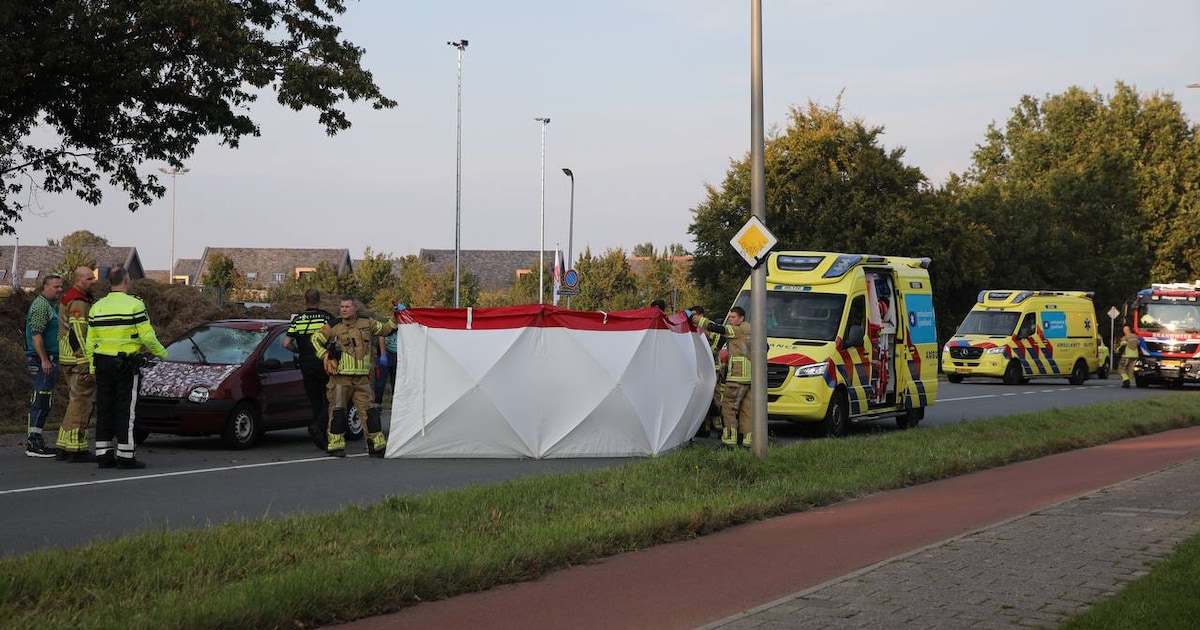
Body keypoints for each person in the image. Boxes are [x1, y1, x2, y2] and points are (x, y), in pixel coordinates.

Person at [85, 266, 168, 469]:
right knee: (126, 409)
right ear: (126, 280)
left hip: (102, 363)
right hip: (125, 365)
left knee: (104, 408)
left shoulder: (97, 306)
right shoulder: (134, 305)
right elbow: (147, 336)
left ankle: (103, 455)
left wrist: (92, 367)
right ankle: (125, 455)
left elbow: (90, 341)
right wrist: (163, 354)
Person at [312, 297, 398, 458]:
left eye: (347, 307)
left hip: (362, 379)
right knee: (337, 412)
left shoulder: (368, 323)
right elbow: (315, 339)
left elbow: (386, 329)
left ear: (355, 309)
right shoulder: (333, 325)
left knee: (369, 413)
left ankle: (376, 445)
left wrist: (395, 317)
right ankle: (336, 446)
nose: (343, 309)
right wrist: (325, 356)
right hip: (340, 378)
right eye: (341, 306)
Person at [690, 306, 752, 447]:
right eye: (729, 317)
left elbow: (714, 327)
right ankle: (748, 441)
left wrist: (693, 318)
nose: (730, 320)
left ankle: (729, 440)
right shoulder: (752, 331)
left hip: (736, 376)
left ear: (741, 318)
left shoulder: (735, 330)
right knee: (747, 410)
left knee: (728, 407)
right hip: (750, 377)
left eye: (733, 317)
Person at [283, 289, 336, 450]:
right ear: (319, 300)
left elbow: (286, 343)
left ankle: (318, 434)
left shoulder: (298, 320)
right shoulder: (327, 317)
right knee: (330, 399)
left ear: (304, 301)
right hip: (323, 362)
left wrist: (298, 351)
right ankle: (321, 429)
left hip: (305, 364)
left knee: (315, 400)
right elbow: (337, 337)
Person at [55, 266, 97, 462]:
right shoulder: (79, 302)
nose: (93, 281)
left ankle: (63, 444)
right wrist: (85, 363)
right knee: (82, 402)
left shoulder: (70, 298)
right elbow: (78, 334)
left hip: (67, 357)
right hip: (77, 358)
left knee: (74, 401)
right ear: (78, 280)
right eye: (89, 279)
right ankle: (76, 447)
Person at [23, 273, 65, 457]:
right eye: (56, 286)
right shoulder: (41, 306)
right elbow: (36, 334)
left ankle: (36, 440)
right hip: (41, 361)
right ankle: (34, 443)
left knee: (44, 399)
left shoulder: (50, 306)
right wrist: (44, 360)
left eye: (61, 286)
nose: (60, 289)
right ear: (45, 287)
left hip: (47, 359)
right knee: (40, 400)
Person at [689, 305, 724, 438]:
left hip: (712, 369)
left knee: (714, 399)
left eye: (694, 315)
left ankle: (719, 427)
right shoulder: (692, 328)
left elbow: (718, 344)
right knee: (701, 398)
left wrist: (707, 352)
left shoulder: (711, 327)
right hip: (698, 369)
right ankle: (704, 427)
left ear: (701, 316)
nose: (692, 318)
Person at [373, 303, 405, 407]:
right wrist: (383, 354)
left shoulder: (405, 325)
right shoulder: (391, 323)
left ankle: (395, 403)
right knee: (380, 382)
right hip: (386, 354)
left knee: (396, 382)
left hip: (398, 355)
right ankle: (378, 403)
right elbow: (382, 335)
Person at [1116, 324, 1140, 389]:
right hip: (1135, 356)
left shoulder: (1125, 338)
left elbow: (1120, 347)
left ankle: (1126, 380)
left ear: (1125, 330)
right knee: (1130, 369)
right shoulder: (1136, 336)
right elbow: (1138, 343)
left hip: (1126, 355)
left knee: (1121, 368)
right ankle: (1129, 381)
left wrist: (1117, 351)